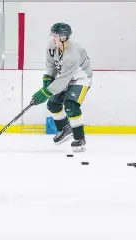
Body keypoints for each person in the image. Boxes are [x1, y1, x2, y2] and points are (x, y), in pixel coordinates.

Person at [31, 22, 92, 153]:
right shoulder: (51, 45)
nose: (53, 37)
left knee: (71, 105)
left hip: (80, 80)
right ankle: (65, 128)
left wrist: (45, 92)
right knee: (52, 105)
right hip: (65, 78)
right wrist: (47, 80)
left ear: (64, 37)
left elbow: (64, 78)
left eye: (56, 35)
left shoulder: (72, 53)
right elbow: (51, 66)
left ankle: (79, 138)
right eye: (52, 34)